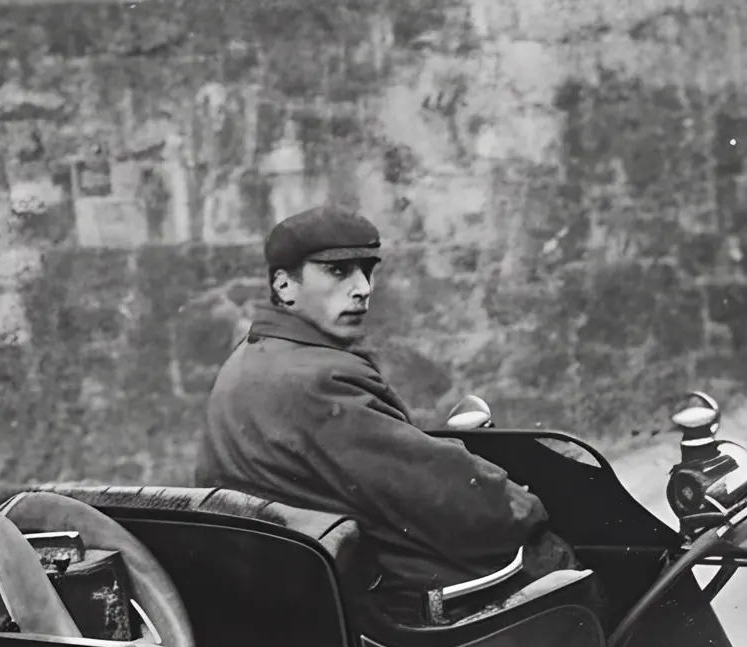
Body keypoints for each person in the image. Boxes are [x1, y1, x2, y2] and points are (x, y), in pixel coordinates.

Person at [196, 205, 566, 624]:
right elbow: (433, 486)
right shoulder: (319, 378)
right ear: (285, 286)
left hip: (293, 597)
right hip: (375, 607)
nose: (362, 288)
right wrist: (526, 507)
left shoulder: (251, 358)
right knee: (561, 565)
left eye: (366, 271)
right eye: (338, 272)